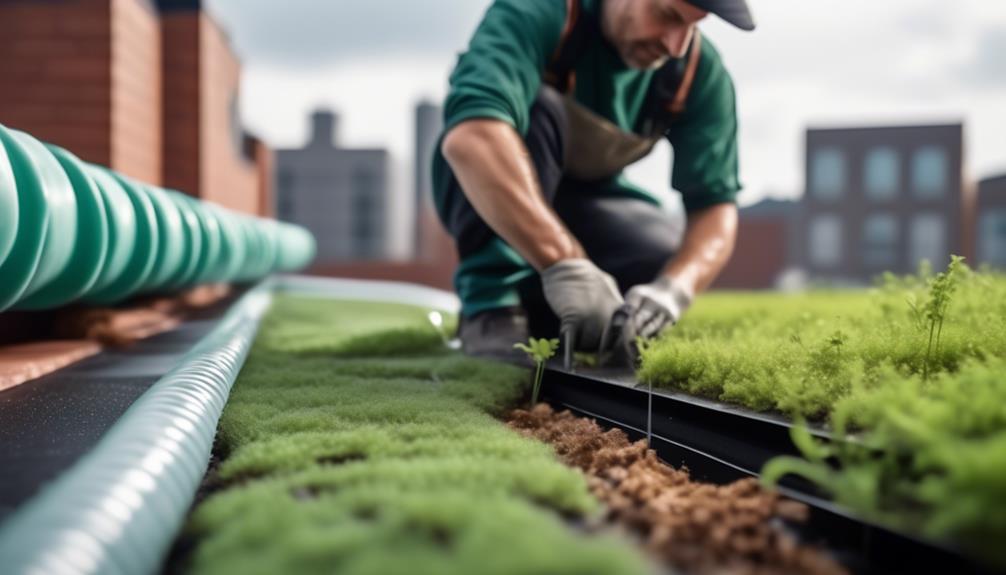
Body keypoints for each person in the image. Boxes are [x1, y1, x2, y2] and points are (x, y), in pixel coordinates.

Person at [432, 0, 754, 361]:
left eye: (692, 26)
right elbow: (473, 138)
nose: (675, 46)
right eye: (667, 16)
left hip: (588, 207)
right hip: (492, 195)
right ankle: (492, 310)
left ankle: (559, 318)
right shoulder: (539, 12)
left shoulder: (696, 72)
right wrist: (565, 262)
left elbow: (715, 206)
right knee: (536, 109)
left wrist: (674, 288)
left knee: (658, 258)